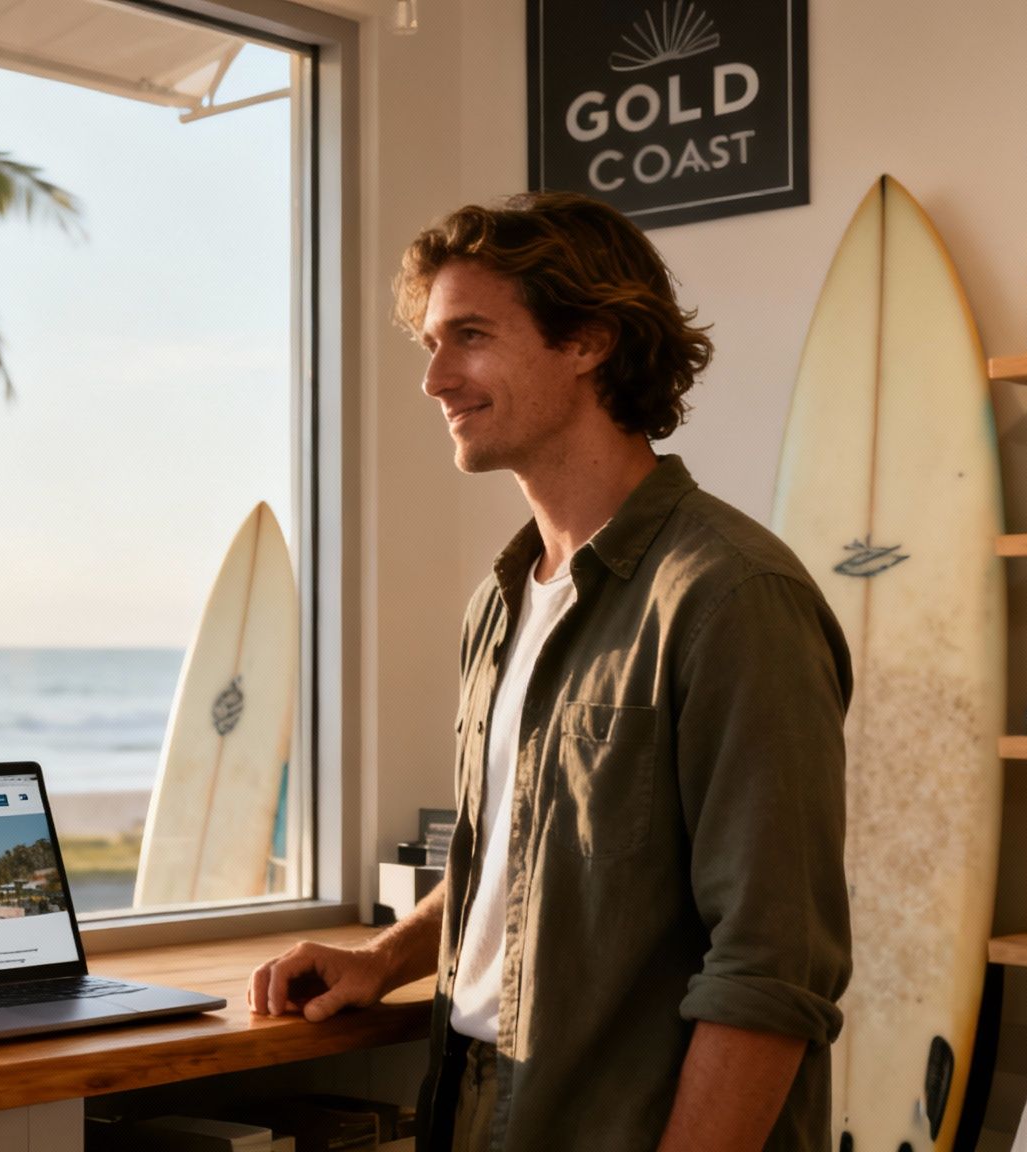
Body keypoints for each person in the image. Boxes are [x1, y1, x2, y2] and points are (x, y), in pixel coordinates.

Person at [246, 192, 852, 1152]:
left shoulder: (731, 597)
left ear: (589, 342)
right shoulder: (503, 599)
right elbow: (517, 858)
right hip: (476, 1102)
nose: (435, 379)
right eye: (431, 344)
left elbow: (772, 970)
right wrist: (386, 956)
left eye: (471, 337)